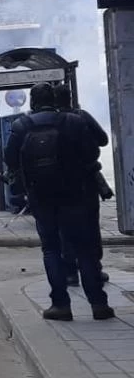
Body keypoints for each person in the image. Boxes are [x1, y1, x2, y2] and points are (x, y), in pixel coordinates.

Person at [5, 82, 112, 322]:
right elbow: (92, 154)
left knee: (51, 249)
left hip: (42, 199)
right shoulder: (74, 121)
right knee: (85, 249)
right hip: (76, 196)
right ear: (54, 100)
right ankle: (98, 304)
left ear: (32, 101)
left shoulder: (21, 125)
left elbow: (9, 158)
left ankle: (61, 305)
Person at [52, 83, 112, 287]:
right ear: (70, 98)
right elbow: (103, 140)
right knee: (90, 227)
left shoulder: (50, 121)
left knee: (64, 228)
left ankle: (70, 272)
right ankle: (95, 269)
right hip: (86, 182)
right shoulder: (82, 116)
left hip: (60, 184)